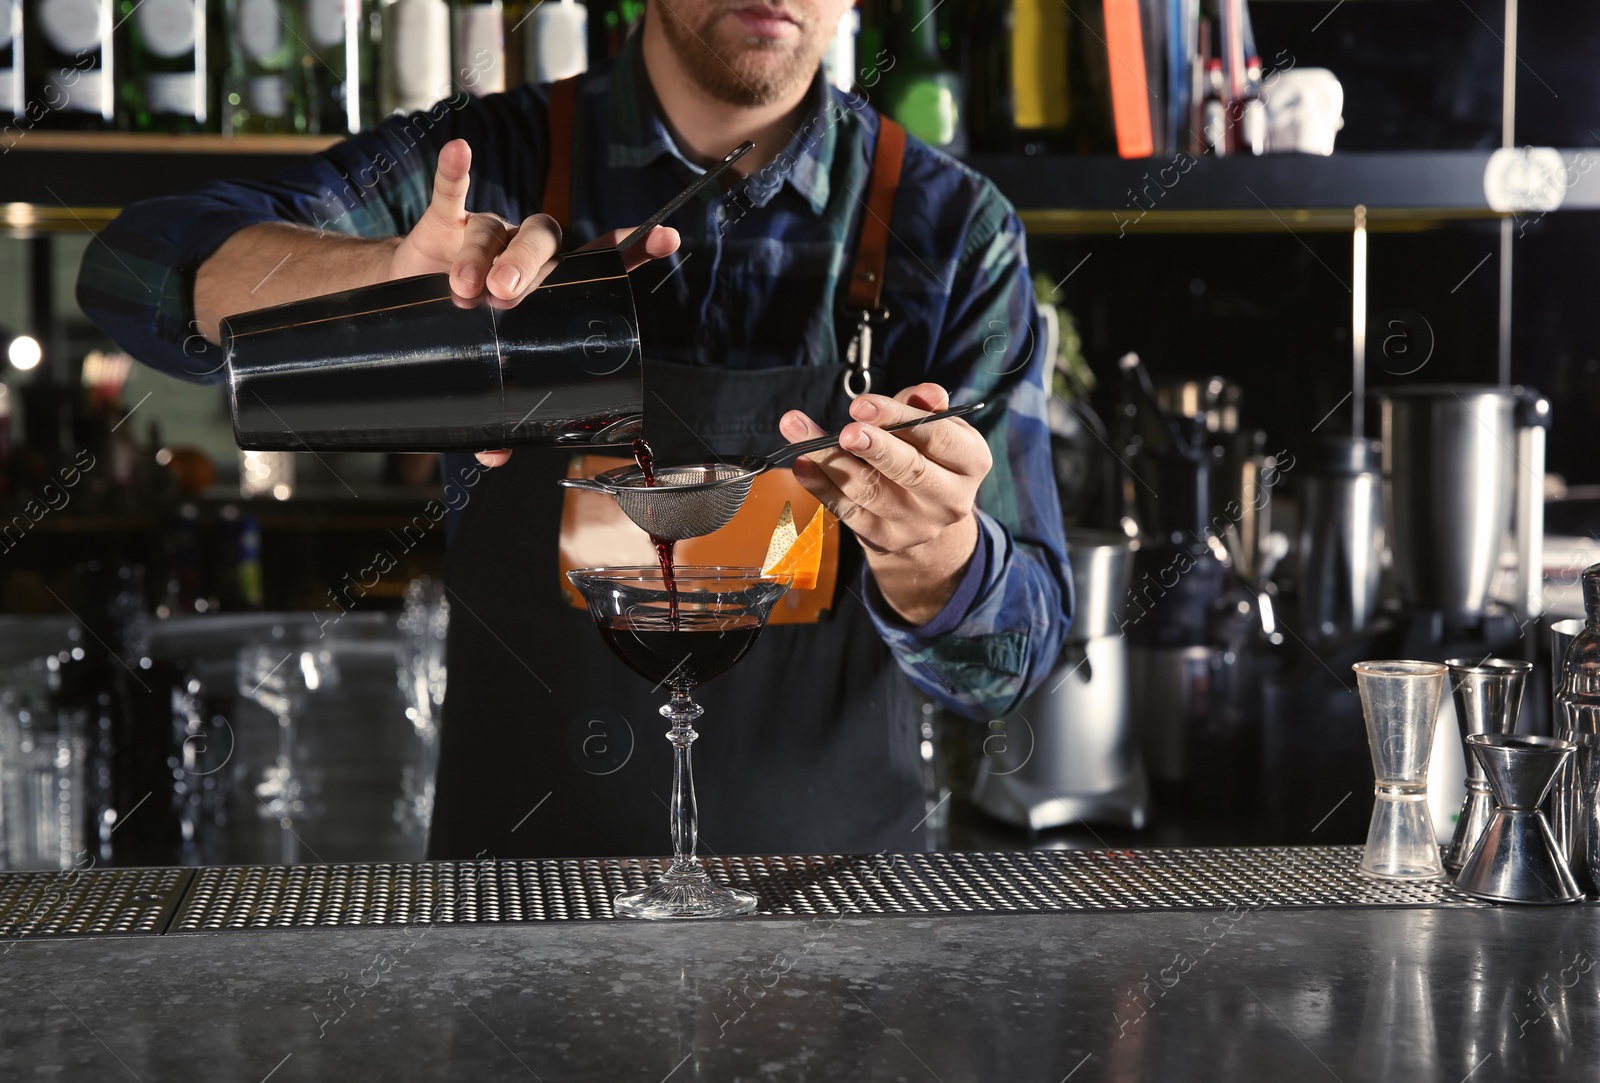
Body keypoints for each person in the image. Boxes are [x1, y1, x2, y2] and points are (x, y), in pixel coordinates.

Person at [77, 0, 1072, 860]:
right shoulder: (488, 161)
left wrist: (934, 555)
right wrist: (377, 278)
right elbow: (129, 271)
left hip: (838, 930)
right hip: (516, 917)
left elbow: (1008, 666)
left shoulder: (952, 233)